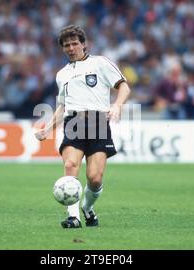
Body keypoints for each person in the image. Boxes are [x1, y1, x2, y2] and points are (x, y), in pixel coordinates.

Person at [34, 25, 131, 229]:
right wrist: (48, 128)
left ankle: (87, 209)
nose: (71, 48)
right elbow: (62, 105)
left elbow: (124, 86)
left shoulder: (100, 63)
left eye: (74, 43)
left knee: (95, 179)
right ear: (62, 48)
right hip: (74, 122)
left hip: (98, 123)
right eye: (67, 45)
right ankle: (73, 217)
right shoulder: (62, 74)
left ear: (83, 44)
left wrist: (117, 105)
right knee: (70, 165)